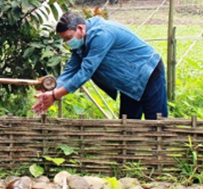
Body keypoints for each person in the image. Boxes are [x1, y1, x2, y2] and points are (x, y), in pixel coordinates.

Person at [32, 12, 168, 119]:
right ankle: (128, 154)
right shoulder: (80, 43)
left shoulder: (101, 34)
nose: (68, 42)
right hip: (128, 81)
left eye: (68, 37)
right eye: (64, 39)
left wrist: (55, 95)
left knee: (156, 122)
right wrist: (52, 90)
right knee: (128, 125)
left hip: (148, 73)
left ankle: (161, 154)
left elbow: (86, 71)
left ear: (80, 28)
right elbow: (71, 70)